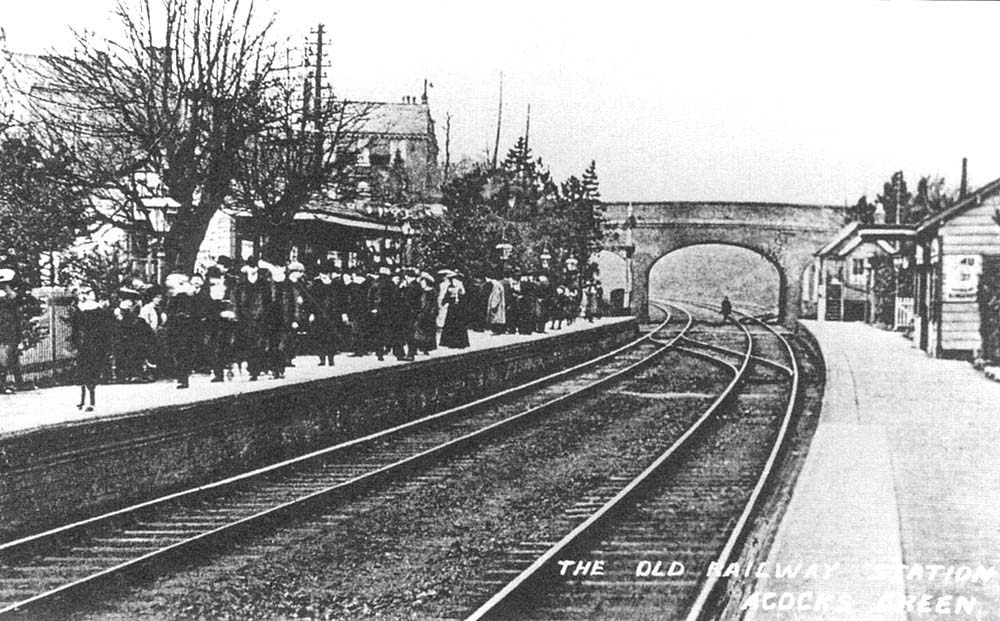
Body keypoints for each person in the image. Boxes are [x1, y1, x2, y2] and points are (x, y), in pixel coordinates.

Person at [69, 285, 113, 411]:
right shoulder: (81, 309)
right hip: (86, 344)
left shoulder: (97, 310)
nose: (86, 295)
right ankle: (83, 400)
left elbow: (105, 329)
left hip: (95, 344)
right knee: (84, 371)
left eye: (89, 292)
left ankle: (91, 401)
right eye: (84, 293)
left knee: (91, 372)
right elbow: (75, 329)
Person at [235, 258, 272, 381]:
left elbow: (268, 302)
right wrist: (239, 316)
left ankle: (257, 369)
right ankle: (252, 370)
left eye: (254, 267)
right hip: (246, 319)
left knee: (259, 344)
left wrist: (265, 316)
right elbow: (238, 302)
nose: (252, 270)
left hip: (261, 319)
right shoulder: (241, 285)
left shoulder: (264, 284)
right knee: (249, 345)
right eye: (250, 267)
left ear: (257, 269)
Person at [0, 268, 21, 394]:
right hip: (5, 333)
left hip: (8, 332)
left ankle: (4, 385)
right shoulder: (5, 300)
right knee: (3, 359)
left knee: (6, 359)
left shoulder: (9, 299)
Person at [440, 273, 470, 348]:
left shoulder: (460, 286)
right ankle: (451, 342)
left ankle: (460, 343)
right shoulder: (450, 286)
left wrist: (459, 293)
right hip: (452, 308)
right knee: (451, 325)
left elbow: (464, 296)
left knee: (459, 325)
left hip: (459, 308)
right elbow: (447, 296)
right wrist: (446, 301)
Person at [414, 272, 439, 354]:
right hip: (426, 314)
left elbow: (428, 304)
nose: (421, 283)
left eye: (423, 281)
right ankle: (423, 348)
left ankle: (425, 348)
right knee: (423, 331)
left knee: (425, 331)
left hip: (427, 314)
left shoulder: (429, 292)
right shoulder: (424, 291)